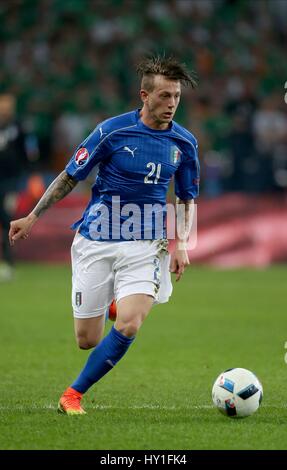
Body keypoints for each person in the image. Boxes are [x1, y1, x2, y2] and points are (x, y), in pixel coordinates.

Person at [9, 56, 200, 415]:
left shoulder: (185, 143)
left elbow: (188, 196)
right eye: (163, 96)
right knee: (88, 339)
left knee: (129, 325)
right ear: (144, 95)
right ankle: (114, 300)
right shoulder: (112, 131)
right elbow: (70, 176)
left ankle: (73, 394)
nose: (171, 104)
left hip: (147, 243)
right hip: (97, 239)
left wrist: (183, 244)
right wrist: (33, 216)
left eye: (176, 96)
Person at [0, 94, 30, 281]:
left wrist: (26, 176)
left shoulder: (18, 127)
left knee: (6, 221)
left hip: (10, 182)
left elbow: (26, 153)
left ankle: (9, 264)